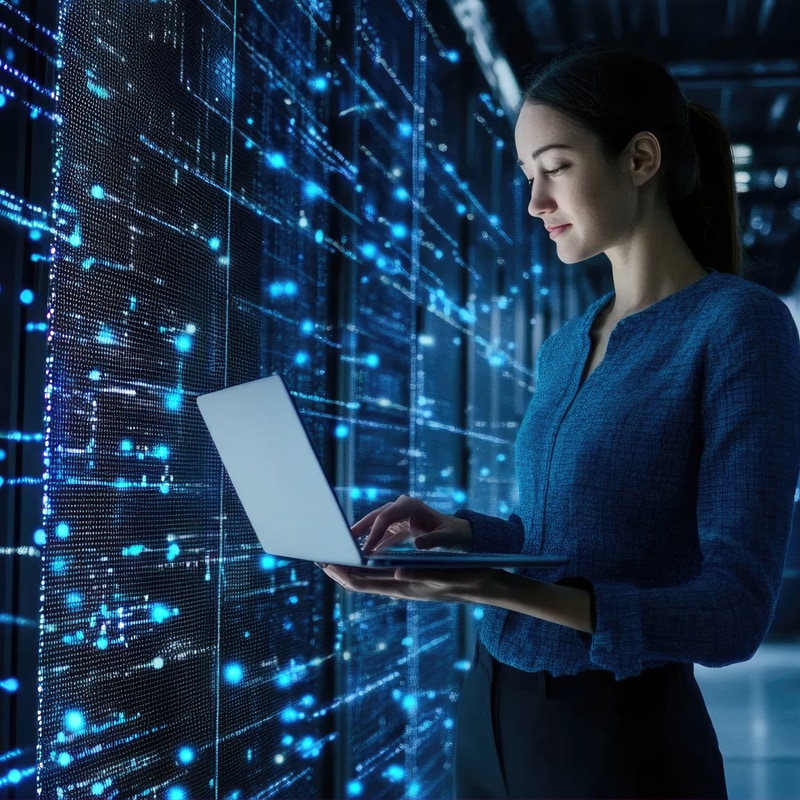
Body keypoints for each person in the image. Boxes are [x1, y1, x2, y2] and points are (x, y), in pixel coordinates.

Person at [320, 47, 800, 799]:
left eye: (557, 167)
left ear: (641, 158)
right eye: (527, 176)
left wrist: (495, 588)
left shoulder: (740, 326)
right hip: (491, 709)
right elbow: (569, 544)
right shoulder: (568, 343)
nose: (537, 201)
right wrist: (467, 537)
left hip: (617, 733)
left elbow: (734, 611)